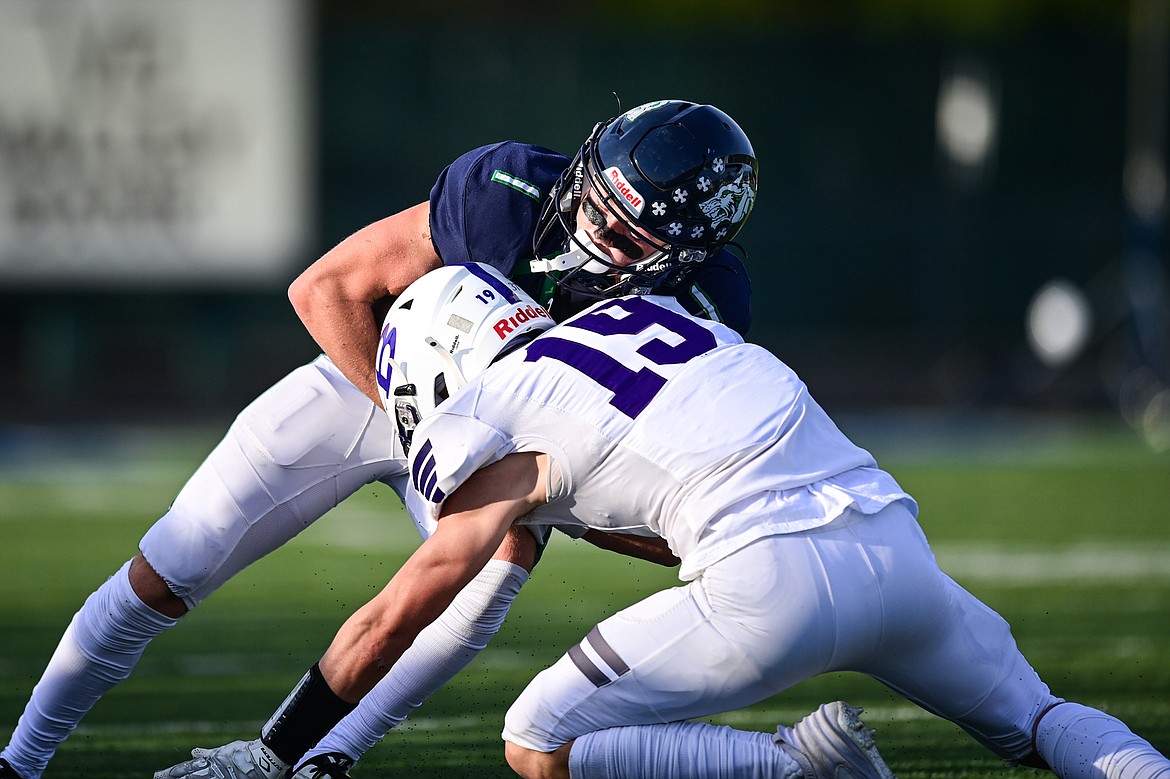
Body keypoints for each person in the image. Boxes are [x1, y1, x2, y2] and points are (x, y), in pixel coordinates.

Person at [0, 99, 760, 779]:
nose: (591, 225)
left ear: (683, 252)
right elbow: (325, 288)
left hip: (503, 454)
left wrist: (528, 493)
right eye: (594, 198)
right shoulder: (509, 188)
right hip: (374, 383)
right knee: (167, 567)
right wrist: (417, 419)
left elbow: (627, 470)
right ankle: (21, 757)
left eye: (624, 230)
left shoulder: (699, 303)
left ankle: (311, 754)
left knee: (499, 559)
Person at [238, 289, 1170, 779]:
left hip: (768, 584)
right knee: (1043, 722)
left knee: (536, 739)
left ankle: (792, 765)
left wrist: (282, 747)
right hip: (895, 542)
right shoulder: (651, 317)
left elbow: (405, 607)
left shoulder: (489, 408)